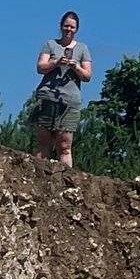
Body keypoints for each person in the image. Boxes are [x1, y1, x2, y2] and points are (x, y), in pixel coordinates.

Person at [32, 11, 91, 165]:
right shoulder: (50, 44)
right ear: (61, 26)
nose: (69, 29)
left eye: (72, 27)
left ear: (76, 29)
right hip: (47, 97)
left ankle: (66, 182)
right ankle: (39, 178)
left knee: (64, 145)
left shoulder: (83, 49)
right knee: (43, 143)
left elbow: (87, 76)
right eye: (66, 26)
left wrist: (75, 66)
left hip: (70, 102)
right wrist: (56, 63)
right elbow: (40, 67)